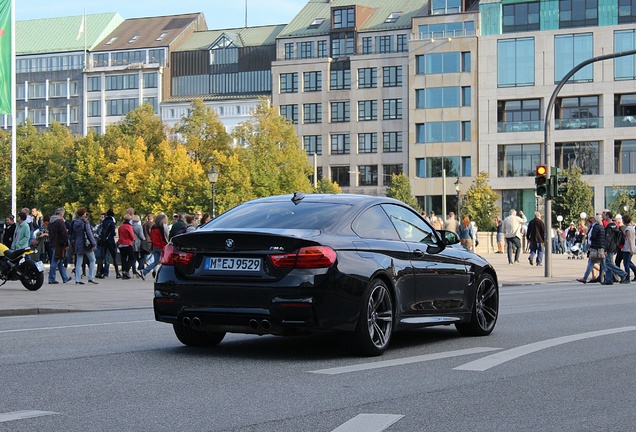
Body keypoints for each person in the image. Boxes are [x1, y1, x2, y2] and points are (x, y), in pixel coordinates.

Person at [71, 207, 98, 285]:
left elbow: (72, 233)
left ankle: (77, 279)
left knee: (79, 261)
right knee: (92, 259)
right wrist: (94, 243)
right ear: (83, 214)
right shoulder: (85, 223)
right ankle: (91, 277)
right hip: (86, 244)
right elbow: (89, 234)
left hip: (78, 243)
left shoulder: (74, 222)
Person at [601, 211, 628, 285]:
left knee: (608, 263)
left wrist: (605, 249)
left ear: (608, 216)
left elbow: (608, 239)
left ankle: (622, 273)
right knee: (609, 262)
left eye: (605, 215)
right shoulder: (615, 226)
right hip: (614, 246)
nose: (603, 217)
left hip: (609, 247)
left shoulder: (609, 227)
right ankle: (609, 279)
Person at [577, 215, 604, 283]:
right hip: (600, 247)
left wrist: (590, 238)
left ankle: (585, 278)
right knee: (602, 264)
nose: (592, 221)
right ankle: (609, 276)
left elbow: (593, 236)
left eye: (593, 220)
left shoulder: (595, 227)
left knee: (591, 263)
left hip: (595, 247)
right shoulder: (601, 227)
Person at [48, 208, 71, 284]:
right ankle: (51, 278)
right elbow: (64, 233)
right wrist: (66, 243)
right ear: (61, 214)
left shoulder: (51, 221)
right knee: (55, 261)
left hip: (53, 242)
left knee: (59, 260)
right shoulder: (60, 221)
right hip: (59, 244)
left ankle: (65, 277)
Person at [142, 214, 169, 280]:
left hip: (155, 246)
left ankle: (144, 271)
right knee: (165, 262)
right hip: (161, 246)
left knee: (156, 261)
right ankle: (163, 275)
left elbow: (151, 236)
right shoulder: (162, 227)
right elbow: (165, 238)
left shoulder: (154, 227)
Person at [97, 209, 121, 279]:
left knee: (102, 257)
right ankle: (117, 273)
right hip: (110, 241)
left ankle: (99, 272)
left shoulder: (104, 222)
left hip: (103, 241)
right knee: (113, 257)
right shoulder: (111, 222)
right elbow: (113, 233)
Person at [117, 213, 136, 280]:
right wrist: (133, 239)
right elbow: (132, 236)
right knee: (132, 258)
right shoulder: (129, 226)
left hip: (121, 243)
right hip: (128, 243)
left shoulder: (121, 226)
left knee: (123, 258)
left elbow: (119, 235)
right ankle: (126, 270)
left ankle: (124, 272)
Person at [620, 214, 636, 282]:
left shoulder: (628, 228)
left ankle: (627, 278)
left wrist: (631, 248)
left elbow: (629, 238)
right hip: (631, 246)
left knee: (626, 263)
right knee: (628, 262)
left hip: (628, 247)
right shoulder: (632, 228)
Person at [131, 214, 146, 278]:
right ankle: (140, 269)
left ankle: (134, 272)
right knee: (141, 258)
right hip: (138, 244)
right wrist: (145, 240)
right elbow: (141, 236)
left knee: (133, 259)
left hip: (132, 243)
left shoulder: (130, 226)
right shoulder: (139, 227)